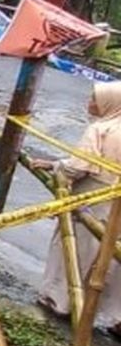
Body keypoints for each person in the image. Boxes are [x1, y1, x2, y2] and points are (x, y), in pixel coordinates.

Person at [33, 83, 121, 332]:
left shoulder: (100, 129)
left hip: (94, 197)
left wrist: (59, 168)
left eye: (94, 98)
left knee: (76, 248)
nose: (89, 102)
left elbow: (79, 166)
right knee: (110, 257)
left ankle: (60, 301)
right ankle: (110, 314)